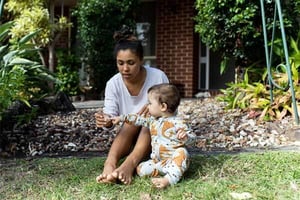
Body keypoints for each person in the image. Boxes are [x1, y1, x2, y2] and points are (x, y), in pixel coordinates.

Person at [95, 25, 169, 185]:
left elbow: (168, 115)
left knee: (147, 121)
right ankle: (110, 164)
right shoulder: (113, 84)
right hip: (127, 139)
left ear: (141, 60)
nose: (125, 68)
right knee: (132, 121)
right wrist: (106, 121)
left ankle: (128, 165)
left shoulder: (158, 77)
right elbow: (111, 117)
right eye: (120, 63)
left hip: (156, 140)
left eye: (131, 63)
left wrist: (150, 114)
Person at [112, 83, 195, 189]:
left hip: (172, 159)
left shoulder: (178, 122)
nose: (147, 106)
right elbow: (138, 119)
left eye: (150, 103)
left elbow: (193, 139)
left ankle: (168, 179)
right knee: (140, 169)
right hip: (158, 162)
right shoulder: (153, 121)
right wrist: (122, 118)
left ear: (163, 106)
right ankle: (163, 171)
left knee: (182, 153)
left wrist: (186, 138)